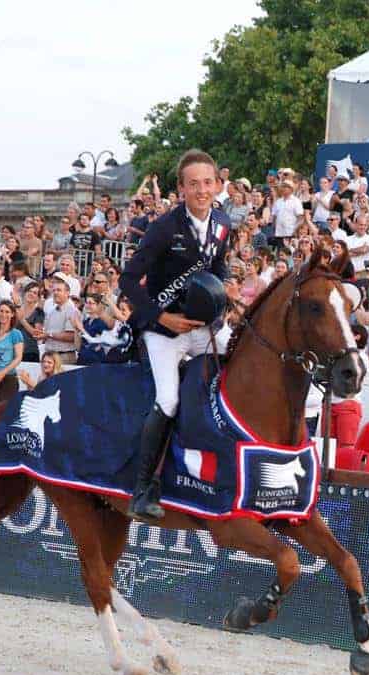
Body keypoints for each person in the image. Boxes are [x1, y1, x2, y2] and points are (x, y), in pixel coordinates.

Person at [118, 149, 231, 522]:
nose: (201, 190)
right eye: (193, 184)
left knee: (243, 358)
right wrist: (161, 317)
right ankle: (143, 488)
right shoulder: (164, 227)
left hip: (200, 327)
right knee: (168, 400)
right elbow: (128, 279)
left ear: (218, 185)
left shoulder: (223, 222)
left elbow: (218, 266)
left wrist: (224, 293)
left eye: (207, 183)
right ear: (181, 188)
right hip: (164, 329)